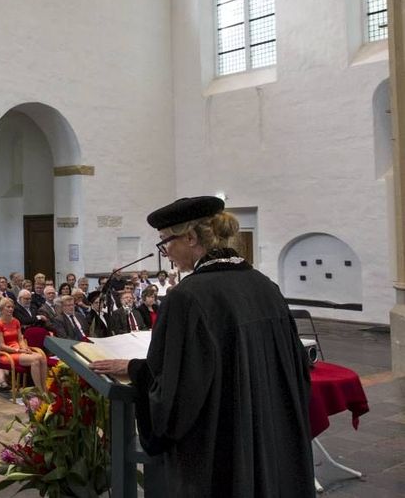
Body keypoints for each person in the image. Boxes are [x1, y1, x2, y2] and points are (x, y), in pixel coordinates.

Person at [91, 196, 313, 497]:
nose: (166, 253)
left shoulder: (187, 297)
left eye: (165, 242)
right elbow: (295, 369)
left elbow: (176, 389)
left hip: (222, 451)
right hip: (271, 444)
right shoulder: (265, 286)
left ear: (191, 237)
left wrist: (134, 369)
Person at [0, 297, 47, 391]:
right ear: (1, 309)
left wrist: (25, 348)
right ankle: (40, 391)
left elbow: (20, 339)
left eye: (12, 307)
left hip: (19, 351)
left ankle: (44, 388)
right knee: (35, 360)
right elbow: (2, 346)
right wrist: (18, 350)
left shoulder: (16, 321)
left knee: (42, 357)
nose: (11, 309)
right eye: (8, 307)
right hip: (7, 354)